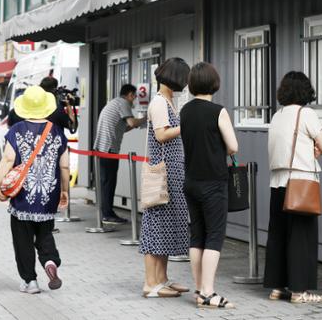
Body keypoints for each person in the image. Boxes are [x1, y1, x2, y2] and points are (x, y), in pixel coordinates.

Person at [0, 86, 69, 294]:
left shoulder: (17, 130)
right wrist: (65, 191)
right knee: (44, 234)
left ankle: (30, 281)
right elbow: (64, 166)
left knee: (23, 239)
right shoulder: (57, 132)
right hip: (48, 193)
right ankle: (50, 262)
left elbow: (8, 159)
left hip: (23, 195)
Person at [264, 71, 322, 304]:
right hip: (301, 183)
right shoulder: (306, 113)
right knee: (302, 237)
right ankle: (300, 292)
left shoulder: (277, 115)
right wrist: (315, 149)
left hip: (277, 183)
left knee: (279, 235)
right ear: (305, 91)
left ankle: (277, 288)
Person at [180, 62, 238, 308]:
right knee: (214, 236)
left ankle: (199, 290)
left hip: (191, 181)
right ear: (214, 82)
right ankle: (209, 292)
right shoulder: (218, 111)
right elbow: (233, 146)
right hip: (213, 182)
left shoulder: (185, 111)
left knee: (197, 236)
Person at [139, 57, 191, 298]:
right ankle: (151, 284)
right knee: (156, 226)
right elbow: (161, 135)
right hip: (163, 173)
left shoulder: (168, 101)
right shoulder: (160, 103)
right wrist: (186, 125)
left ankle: (162, 278)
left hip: (171, 172)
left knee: (168, 226)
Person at [93, 84, 146, 224]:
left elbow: (125, 127)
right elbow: (132, 122)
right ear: (129, 94)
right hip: (109, 149)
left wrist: (137, 124)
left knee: (106, 182)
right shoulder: (123, 103)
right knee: (109, 182)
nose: (134, 99)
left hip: (101, 148)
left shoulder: (114, 102)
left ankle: (106, 213)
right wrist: (146, 118)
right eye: (134, 96)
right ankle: (108, 214)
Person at [8, 76, 78, 134]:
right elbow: (72, 125)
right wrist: (68, 105)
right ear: (54, 91)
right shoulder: (57, 110)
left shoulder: (15, 112)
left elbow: (10, 128)